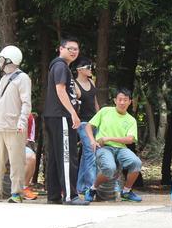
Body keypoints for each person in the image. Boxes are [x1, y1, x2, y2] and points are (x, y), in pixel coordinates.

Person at [0, 46, 32, 203]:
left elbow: (26, 102)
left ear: (9, 60)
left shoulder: (23, 78)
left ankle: (17, 192)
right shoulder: (4, 79)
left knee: (17, 161)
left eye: (2, 59)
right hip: (0, 126)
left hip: (15, 127)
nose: (0, 61)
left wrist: (22, 122)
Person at [44, 38, 89, 205]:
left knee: (56, 156)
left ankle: (54, 195)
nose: (73, 52)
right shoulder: (61, 66)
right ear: (61, 49)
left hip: (55, 116)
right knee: (67, 156)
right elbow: (60, 90)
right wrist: (73, 113)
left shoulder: (60, 66)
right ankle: (71, 196)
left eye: (76, 49)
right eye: (70, 48)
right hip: (61, 115)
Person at [84, 88, 143, 202]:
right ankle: (92, 189)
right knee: (110, 168)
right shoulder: (105, 111)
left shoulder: (131, 120)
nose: (122, 102)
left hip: (121, 148)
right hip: (104, 147)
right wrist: (92, 140)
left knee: (136, 163)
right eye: (120, 99)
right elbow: (88, 126)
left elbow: (130, 139)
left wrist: (108, 138)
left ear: (130, 102)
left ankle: (126, 191)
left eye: (125, 100)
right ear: (115, 100)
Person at [0, 113, 38, 200]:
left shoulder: (28, 116)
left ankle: (24, 187)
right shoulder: (0, 112)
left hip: (19, 146)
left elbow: (27, 140)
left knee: (31, 157)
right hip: (0, 145)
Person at [73, 57, 100, 195]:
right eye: (88, 67)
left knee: (87, 154)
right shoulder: (74, 84)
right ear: (80, 70)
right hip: (82, 122)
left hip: (94, 121)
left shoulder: (91, 81)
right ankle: (91, 186)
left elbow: (95, 102)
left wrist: (100, 118)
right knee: (90, 151)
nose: (91, 70)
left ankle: (81, 186)